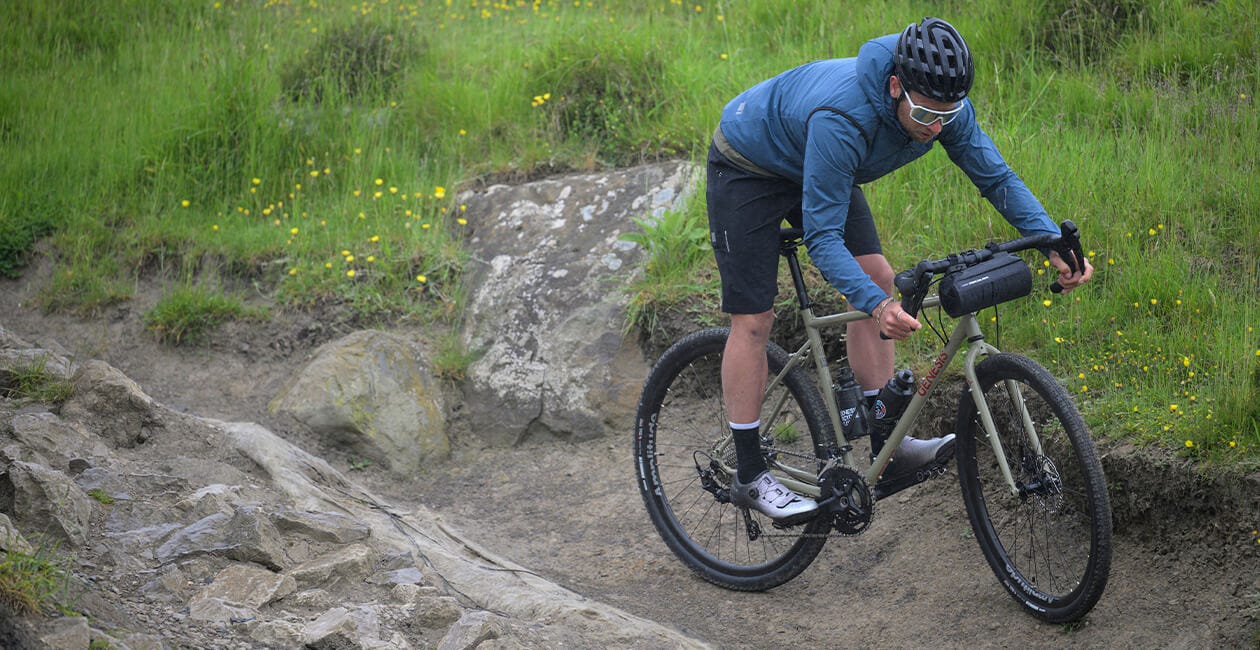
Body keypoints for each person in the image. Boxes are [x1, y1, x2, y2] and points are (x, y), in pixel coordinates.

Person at [707, 17, 1094, 521]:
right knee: (755, 319)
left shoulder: (942, 107)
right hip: (748, 166)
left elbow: (995, 176)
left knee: (877, 274)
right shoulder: (843, 118)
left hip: (818, 162)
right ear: (895, 86)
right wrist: (877, 307)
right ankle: (749, 471)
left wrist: (1050, 241)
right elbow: (823, 239)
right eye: (925, 112)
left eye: (946, 114)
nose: (936, 126)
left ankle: (887, 444)